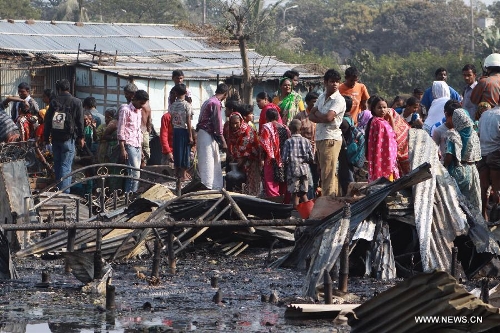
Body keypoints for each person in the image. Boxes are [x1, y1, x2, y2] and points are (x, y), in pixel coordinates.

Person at [309, 69, 346, 197]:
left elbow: (328, 118)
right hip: (320, 137)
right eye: (332, 81)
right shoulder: (321, 96)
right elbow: (310, 115)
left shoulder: (339, 100)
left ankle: (328, 202)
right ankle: (330, 201)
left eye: (337, 82)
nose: (334, 84)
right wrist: (322, 116)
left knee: (328, 172)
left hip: (331, 138)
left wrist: (319, 115)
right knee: (323, 171)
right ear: (326, 82)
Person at [43, 79, 85, 194]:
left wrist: (46, 138)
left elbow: (47, 121)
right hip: (68, 138)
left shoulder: (53, 102)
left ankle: (58, 190)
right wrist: (81, 137)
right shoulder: (76, 102)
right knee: (66, 166)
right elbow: (80, 122)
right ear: (69, 89)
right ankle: (64, 193)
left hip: (55, 137)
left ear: (59, 89)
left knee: (57, 164)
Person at [444, 108, 482, 211]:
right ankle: (477, 224)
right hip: (473, 170)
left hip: (458, 170)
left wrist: (444, 166)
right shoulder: (474, 134)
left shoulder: (453, 135)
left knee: (459, 204)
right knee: (473, 202)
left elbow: (449, 156)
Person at [196, 83, 229, 190]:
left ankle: (212, 185)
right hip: (206, 133)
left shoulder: (208, 100)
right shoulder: (216, 103)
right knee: (209, 160)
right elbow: (218, 123)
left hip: (204, 133)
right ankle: (208, 186)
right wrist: (223, 140)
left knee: (211, 159)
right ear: (225, 94)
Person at [117, 89, 149, 194]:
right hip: (128, 144)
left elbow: (138, 131)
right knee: (134, 173)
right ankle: (129, 197)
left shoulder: (139, 111)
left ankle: (130, 196)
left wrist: (141, 149)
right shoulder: (125, 109)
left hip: (137, 145)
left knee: (136, 173)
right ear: (135, 99)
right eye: (141, 103)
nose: (142, 106)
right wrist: (122, 149)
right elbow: (121, 129)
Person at [365, 96, 399, 182]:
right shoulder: (378, 123)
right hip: (382, 156)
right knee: (384, 178)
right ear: (374, 109)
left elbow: (393, 135)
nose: (382, 110)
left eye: (384, 107)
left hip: (388, 155)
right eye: (379, 107)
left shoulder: (382, 121)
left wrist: (390, 118)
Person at [281, 119, 313, 208]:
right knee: (303, 193)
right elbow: (311, 157)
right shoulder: (306, 141)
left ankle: (297, 214)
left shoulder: (288, 142)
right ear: (300, 129)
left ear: (290, 129)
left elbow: (284, 159)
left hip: (292, 170)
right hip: (304, 170)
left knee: (295, 194)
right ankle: (308, 212)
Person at [227, 112, 261, 196]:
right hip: (238, 161)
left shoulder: (247, 130)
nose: (234, 126)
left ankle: (251, 198)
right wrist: (232, 155)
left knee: (250, 182)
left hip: (250, 159)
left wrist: (243, 159)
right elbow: (231, 145)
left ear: (241, 121)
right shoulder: (231, 131)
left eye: (236, 123)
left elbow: (251, 146)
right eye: (232, 123)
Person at [259, 109, 290, 197]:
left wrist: (262, 159)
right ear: (277, 117)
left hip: (271, 159)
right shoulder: (285, 128)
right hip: (283, 159)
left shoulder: (266, 127)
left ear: (266, 117)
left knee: (271, 182)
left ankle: (275, 202)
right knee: (282, 180)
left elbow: (264, 144)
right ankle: (284, 202)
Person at [477, 104, 500, 220]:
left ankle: (483, 215)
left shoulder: (485, 114)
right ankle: (496, 217)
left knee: (484, 186)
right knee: (497, 187)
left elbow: (479, 134)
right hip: (496, 153)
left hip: (482, 153)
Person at [294, 91, 318, 199]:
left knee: (317, 176)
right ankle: (308, 201)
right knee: (307, 178)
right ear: (307, 102)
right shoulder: (300, 116)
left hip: (317, 151)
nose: (316, 104)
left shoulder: (319, 115)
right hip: (304, 153)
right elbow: (295, 132)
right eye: (314, 102)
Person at [123, 82, 151, 168]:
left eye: (127, 94)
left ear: (133, 94)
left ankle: (139, 178)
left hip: (138, 135)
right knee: (138, 161)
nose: (125, 96)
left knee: (140, 161)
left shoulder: (138, 105)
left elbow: (148, 121)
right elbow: (149, 122)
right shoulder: (142, 105)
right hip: (140, 135)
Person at [170, 84, 193, 181]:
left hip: (175, 131)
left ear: (175, 93)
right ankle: (183, 175)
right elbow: (188, 121)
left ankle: (176, 172)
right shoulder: (187, 105)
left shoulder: (172, 105)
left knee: (176, 151)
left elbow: (171, 120)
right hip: (184, 131)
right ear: (185, 93)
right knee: (184, 152)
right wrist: (191, 136)